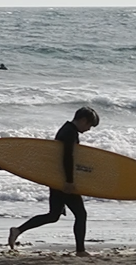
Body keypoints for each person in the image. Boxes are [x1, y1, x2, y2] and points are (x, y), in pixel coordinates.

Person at [9, 106, 101, 255]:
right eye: (89, 125)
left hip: (57, 179)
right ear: (83, 120)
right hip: (63, 180)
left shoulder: (66, 129)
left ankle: (17, 230)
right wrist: (69, 181)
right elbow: (67, 157)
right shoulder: (70, 133)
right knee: (81, 214)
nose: (89, 129)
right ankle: (80, 250)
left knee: (53, 216)